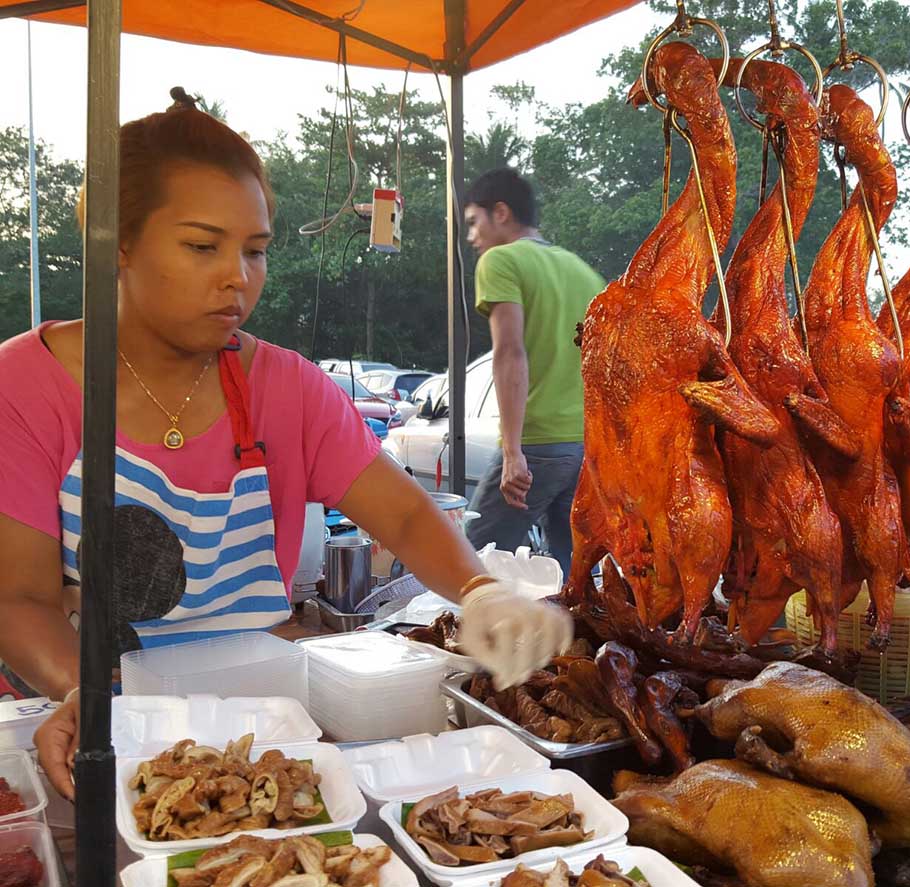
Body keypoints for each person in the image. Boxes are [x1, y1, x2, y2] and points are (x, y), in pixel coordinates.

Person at [0, 90, 571, 801]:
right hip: (91, 724)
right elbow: (18, 598)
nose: (238, 276)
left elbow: (402, 515)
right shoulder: (26, 384)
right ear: (117, 241)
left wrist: (482, 590)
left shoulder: (286, 387)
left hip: (259, 720)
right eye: (202, 246)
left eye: (256, 250)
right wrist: (88, 692)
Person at [462, 169, 605, 577]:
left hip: (536, 445)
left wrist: (512, 453)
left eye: (474, 222)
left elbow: (510, 352)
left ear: (501, 213)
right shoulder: (583, 271)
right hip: (584, 448)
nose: (472, 237)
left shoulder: (500, 261)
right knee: (573, 580)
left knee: (469, 566)